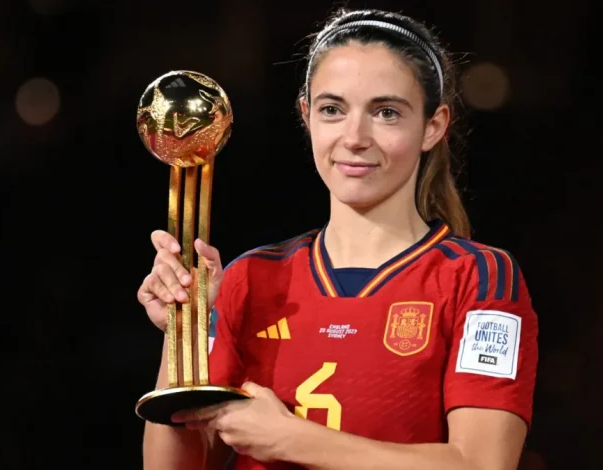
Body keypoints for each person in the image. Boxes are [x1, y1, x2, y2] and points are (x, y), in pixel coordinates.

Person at [138, 8, 538, 470]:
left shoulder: (478, 279)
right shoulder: (248, 279)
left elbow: (482, 464)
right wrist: (182, 333)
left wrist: (291, 439)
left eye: (386, 113)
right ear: (306, 115)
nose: (355, 137)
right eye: (332, 110)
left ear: (433, 126)